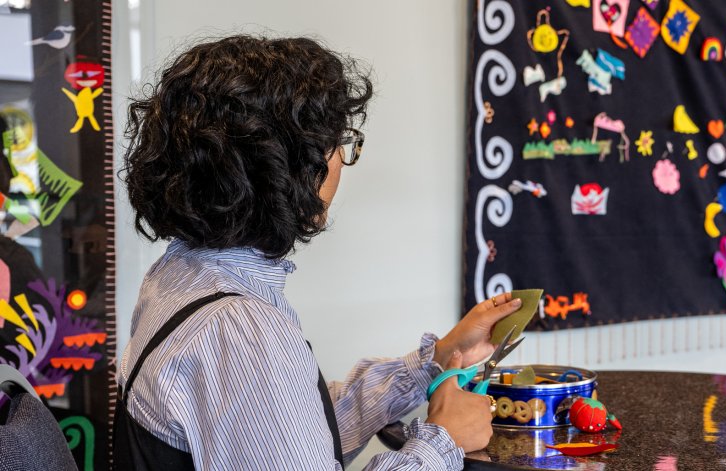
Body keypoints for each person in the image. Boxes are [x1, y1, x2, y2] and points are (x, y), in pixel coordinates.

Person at [114, 35, 521, 470]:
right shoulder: (242, 330)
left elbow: (290, 435)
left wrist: (437, 358)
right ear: (287, 166)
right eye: (335, 143)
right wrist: (443, 441)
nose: (341, 161)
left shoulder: (180, 274)